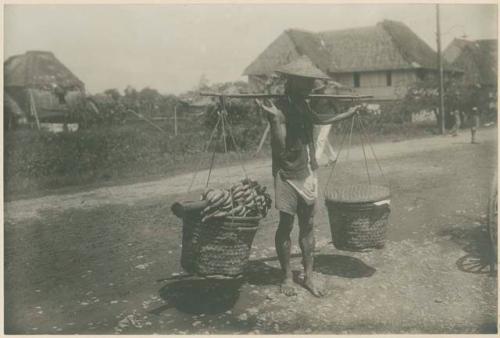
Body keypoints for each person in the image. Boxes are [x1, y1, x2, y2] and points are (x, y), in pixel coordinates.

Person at [255, 57, 358, 297]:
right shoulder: (278, 107)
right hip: (286, 173)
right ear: (292, 82)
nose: (311, 86)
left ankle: (309, 276)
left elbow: (320, 120)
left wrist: (347, 114)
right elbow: (279, 148)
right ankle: (287, 277)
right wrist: (275, 121)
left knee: (308, 225)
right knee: (286, 224)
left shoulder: (303, 104)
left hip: (307, 171)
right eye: (307, 82)